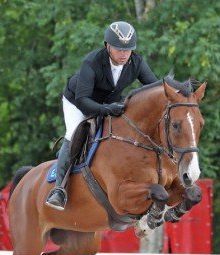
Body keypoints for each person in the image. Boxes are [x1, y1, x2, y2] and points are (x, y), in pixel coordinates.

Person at [45, 21, 159, 211]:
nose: (124, 54)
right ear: (107, 46)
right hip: (78, 102)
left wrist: (176, 93)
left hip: (109, 103)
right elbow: (83, 101)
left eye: (128, 50)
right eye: (118, 49)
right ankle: (59, 189)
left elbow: (155, 89)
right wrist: (106, 110)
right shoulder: (92, 62)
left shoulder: (136, 62)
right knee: (74, 134)